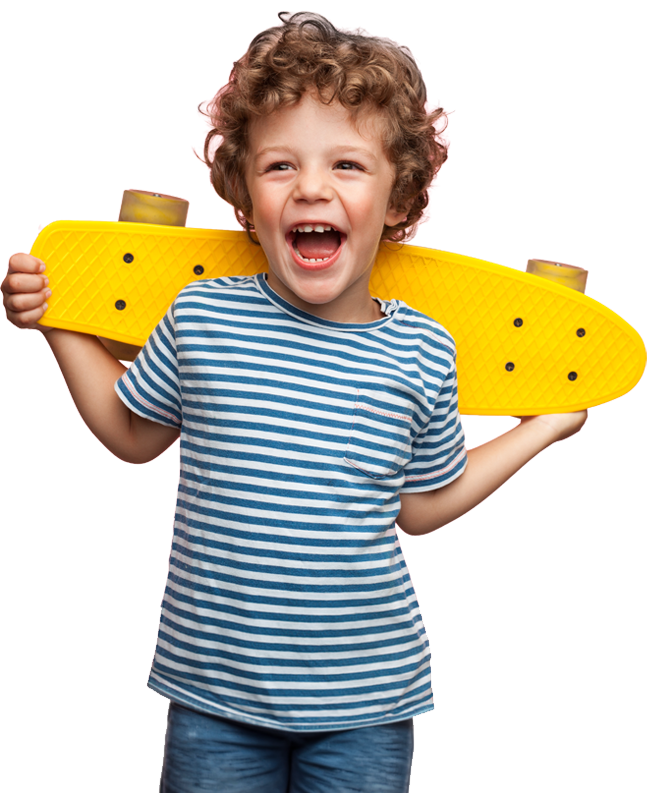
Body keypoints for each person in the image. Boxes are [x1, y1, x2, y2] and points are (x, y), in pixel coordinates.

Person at [1, 11, 587, 793]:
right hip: (214, 695)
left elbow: (420, 505)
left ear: (399, 196)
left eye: (348, 164)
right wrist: (58, 323)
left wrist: (541, 430)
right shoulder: (203, 316)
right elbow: (133, 434)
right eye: (280, 166)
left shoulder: (423, 348)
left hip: (366, 702)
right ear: (244, 196)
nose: (312, 186)